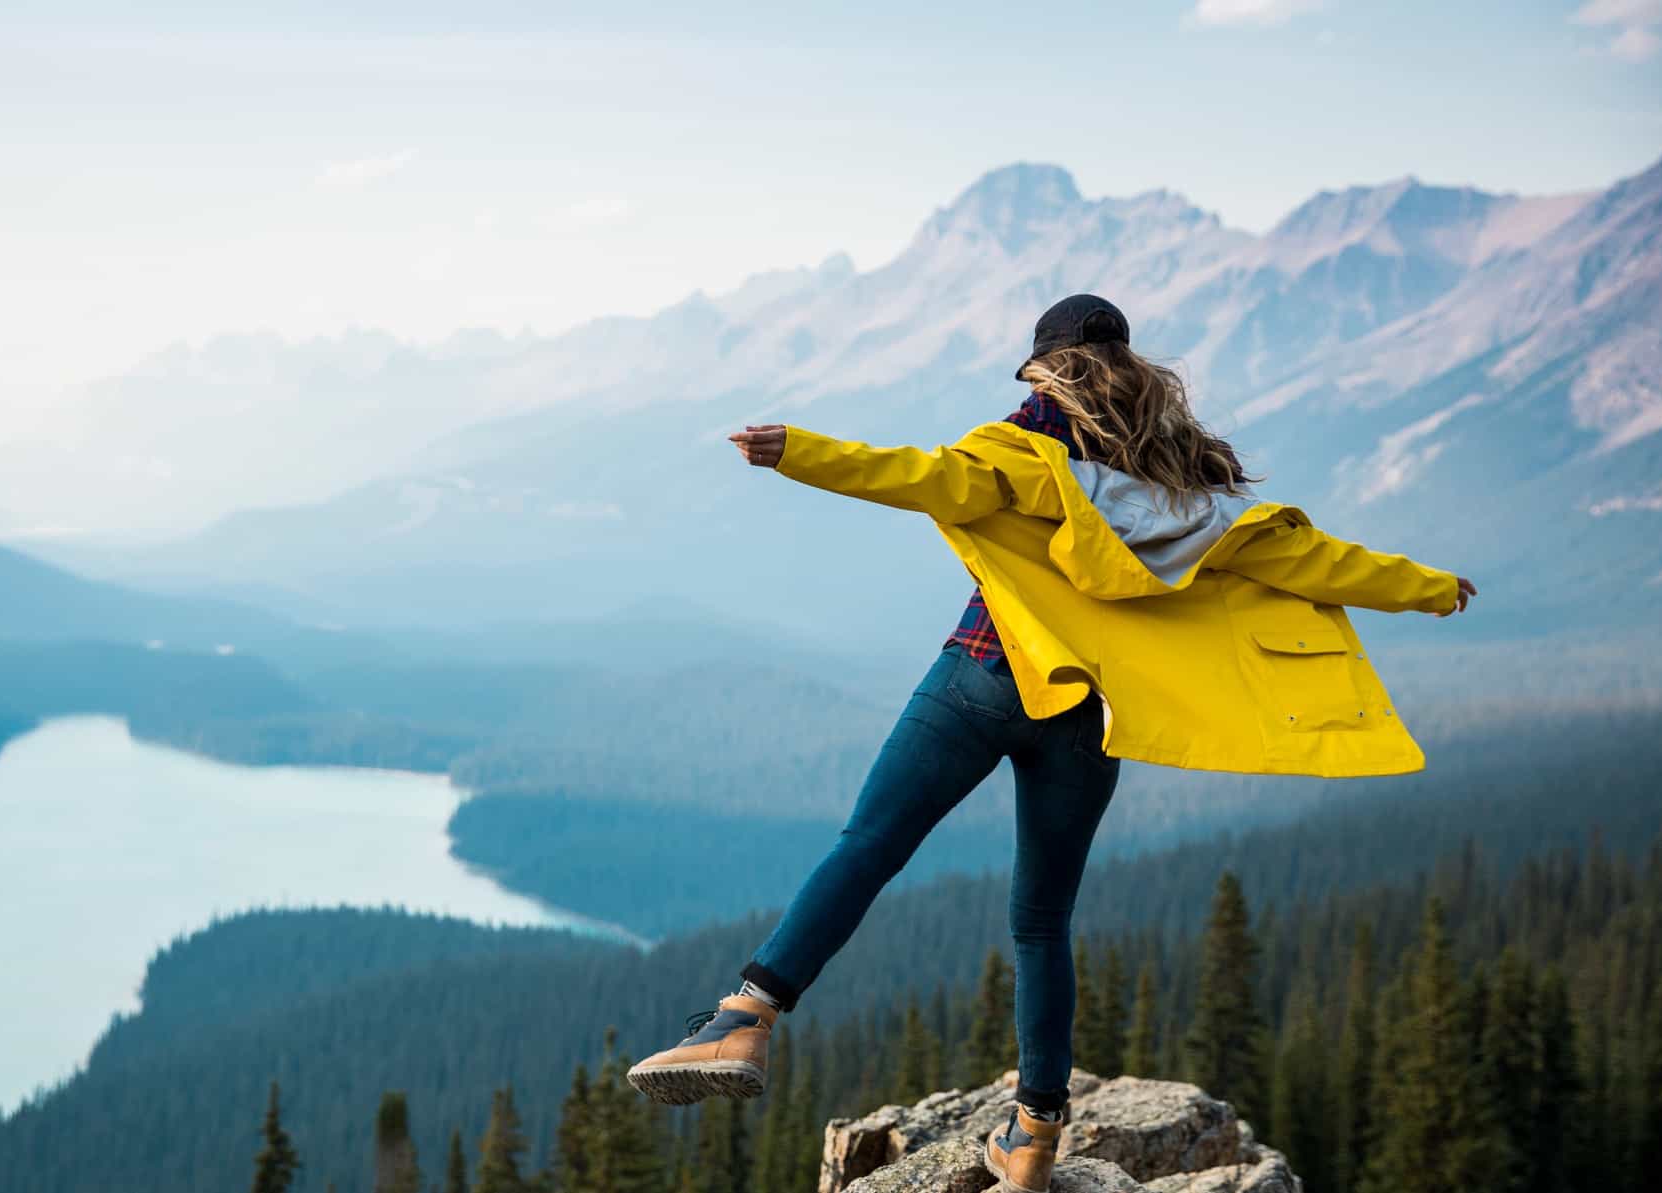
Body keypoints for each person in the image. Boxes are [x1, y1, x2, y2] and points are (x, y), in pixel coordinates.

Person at [621, 294, 1476, 1193]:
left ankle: (745, 1013)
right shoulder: (1188, 491)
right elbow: (1308, 558)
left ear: (1043, 369)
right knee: (1041, 921)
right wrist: (1425, 586)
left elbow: (918, 476)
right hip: (1086, 714)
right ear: (1131, 371)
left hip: (985, 675)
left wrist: (796, 451)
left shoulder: (1022, 453)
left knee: (868, 845)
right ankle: (1031, 1136)